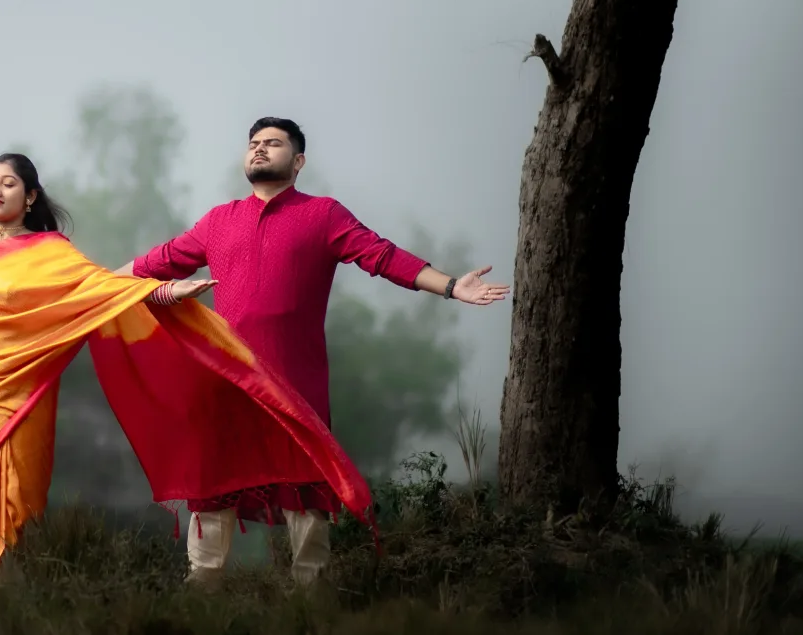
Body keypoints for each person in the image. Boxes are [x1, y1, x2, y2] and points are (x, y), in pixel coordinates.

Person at [0, 152, 382, 600]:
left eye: (9, 183)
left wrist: (163, 291)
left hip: (25, 385)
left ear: (30, 195)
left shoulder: (50, 250)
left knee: (12, 493)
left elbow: (101, 291)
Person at [115, 117, 510, 587]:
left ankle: (310, 600)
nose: (259, 150)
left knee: (305, 484)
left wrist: (450, 286)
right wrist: (82, 291)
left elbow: (380, 256)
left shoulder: (322, 214)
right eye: (254, 144)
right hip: (224, 382)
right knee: (212, 485)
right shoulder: (217, 221)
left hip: (294, 381)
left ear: (298, 161)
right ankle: (202, 595)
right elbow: (143, 269)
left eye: (273, 144)